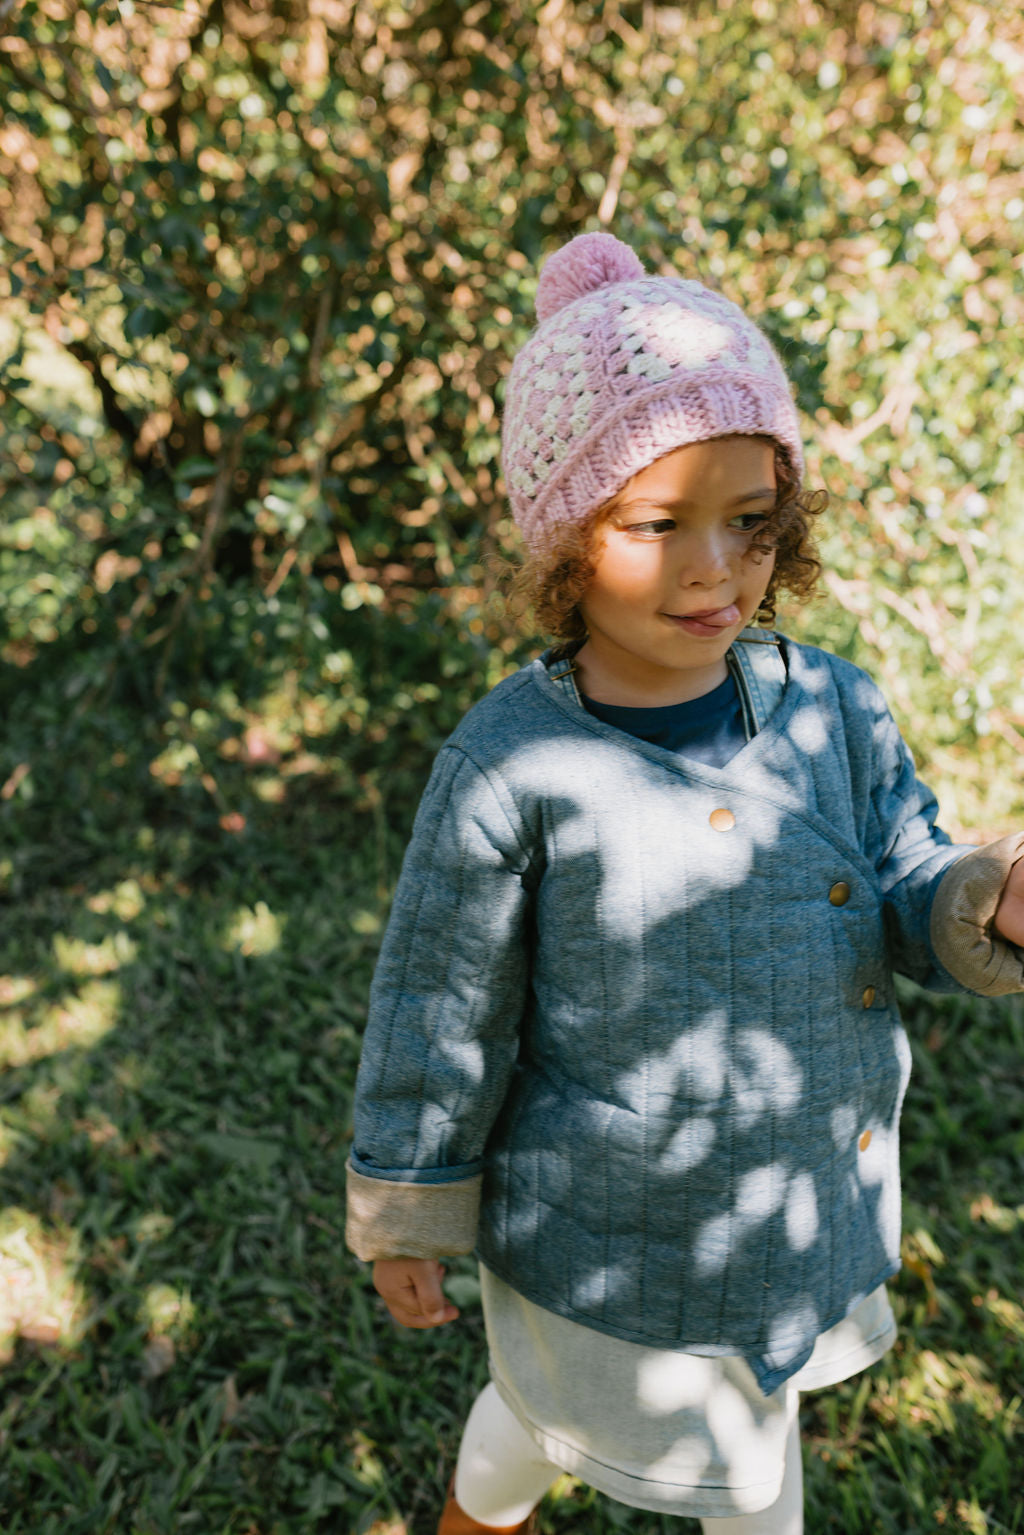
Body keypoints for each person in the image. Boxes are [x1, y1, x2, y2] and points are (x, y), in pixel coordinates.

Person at [345, 231, 1024, 1534]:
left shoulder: (834, 711)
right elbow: (440, 1000)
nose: (718, 569)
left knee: (750, 1475)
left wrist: (985, 898)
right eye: (659, 525)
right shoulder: (514, 759)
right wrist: (406, 1208)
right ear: (563, 542)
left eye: (752, 522)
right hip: (607, 1239)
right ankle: (477, 1511)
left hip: (791, 1202)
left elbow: (908, 880)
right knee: (533, 1421)